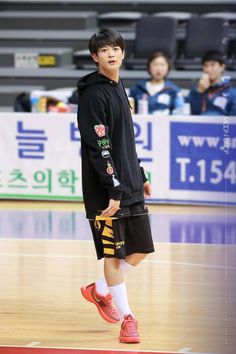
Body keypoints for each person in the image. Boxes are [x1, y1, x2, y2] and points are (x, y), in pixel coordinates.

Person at [77, 29, 155, 344]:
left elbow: (126, 141)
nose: (111, 53)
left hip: (128, 183)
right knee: (113, 254)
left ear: (122, 53)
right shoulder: (94, 94)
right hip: (107, 191)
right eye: (104, 50)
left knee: (140, 250)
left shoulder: (118, 86)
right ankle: (127, 319)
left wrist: (140, 172)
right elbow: (100, 146)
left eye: (115, 48)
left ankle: (99, 289)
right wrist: (113, 188)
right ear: (95, 56)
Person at [186, 50, 236, 116]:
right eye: (205, 65)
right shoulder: (195, 89)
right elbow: (192, 112)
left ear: (222, 67)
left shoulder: (231, 93)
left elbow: (233, 120)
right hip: (198, 124)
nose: (208, 69)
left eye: (213, 65)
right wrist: (198, 92)